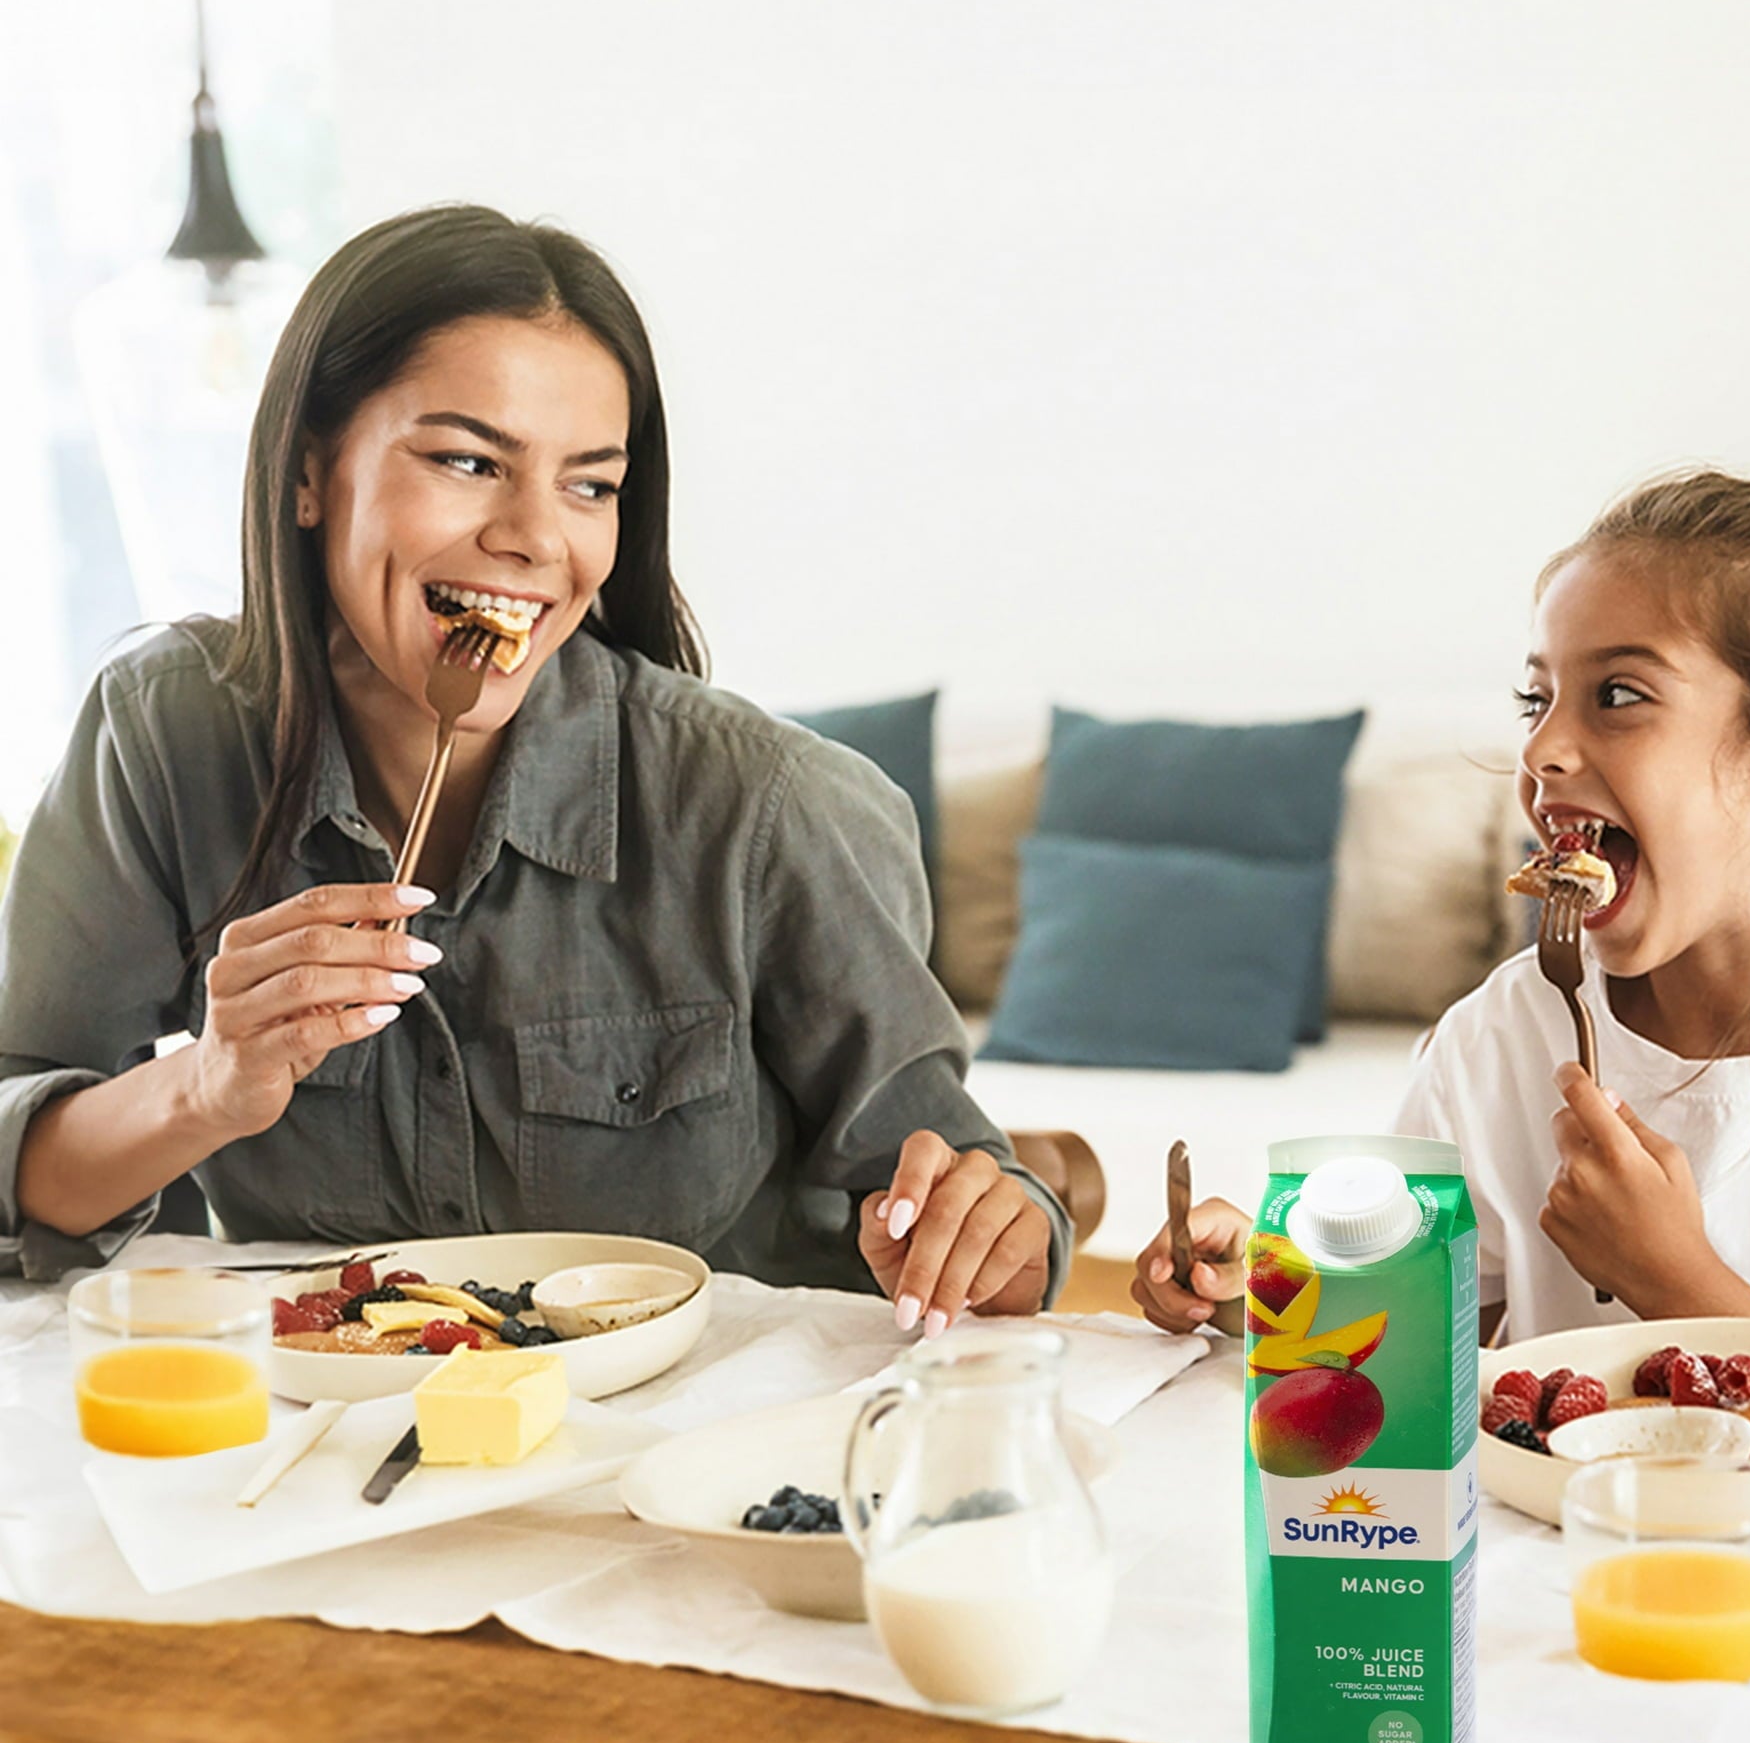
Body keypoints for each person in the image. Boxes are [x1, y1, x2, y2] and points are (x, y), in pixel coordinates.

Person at [0, 204, 1066, 1328]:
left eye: (589, 484)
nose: (537, 538)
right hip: (322, 1449)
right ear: (310, 472)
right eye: (467, 460)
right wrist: (208, 1086)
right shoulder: (167, 731)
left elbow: (972, 1222)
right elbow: (19, 1156)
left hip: (681, 1450)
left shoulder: (773, 806)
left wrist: (987, 1231)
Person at [1131, 465, 1750, 1355]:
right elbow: (1398, 1343)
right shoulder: (1500, 1037)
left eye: (1619, 696)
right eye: (1536, 700)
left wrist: (1674, 1281)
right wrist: (1255, 1297)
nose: (1542, 749)